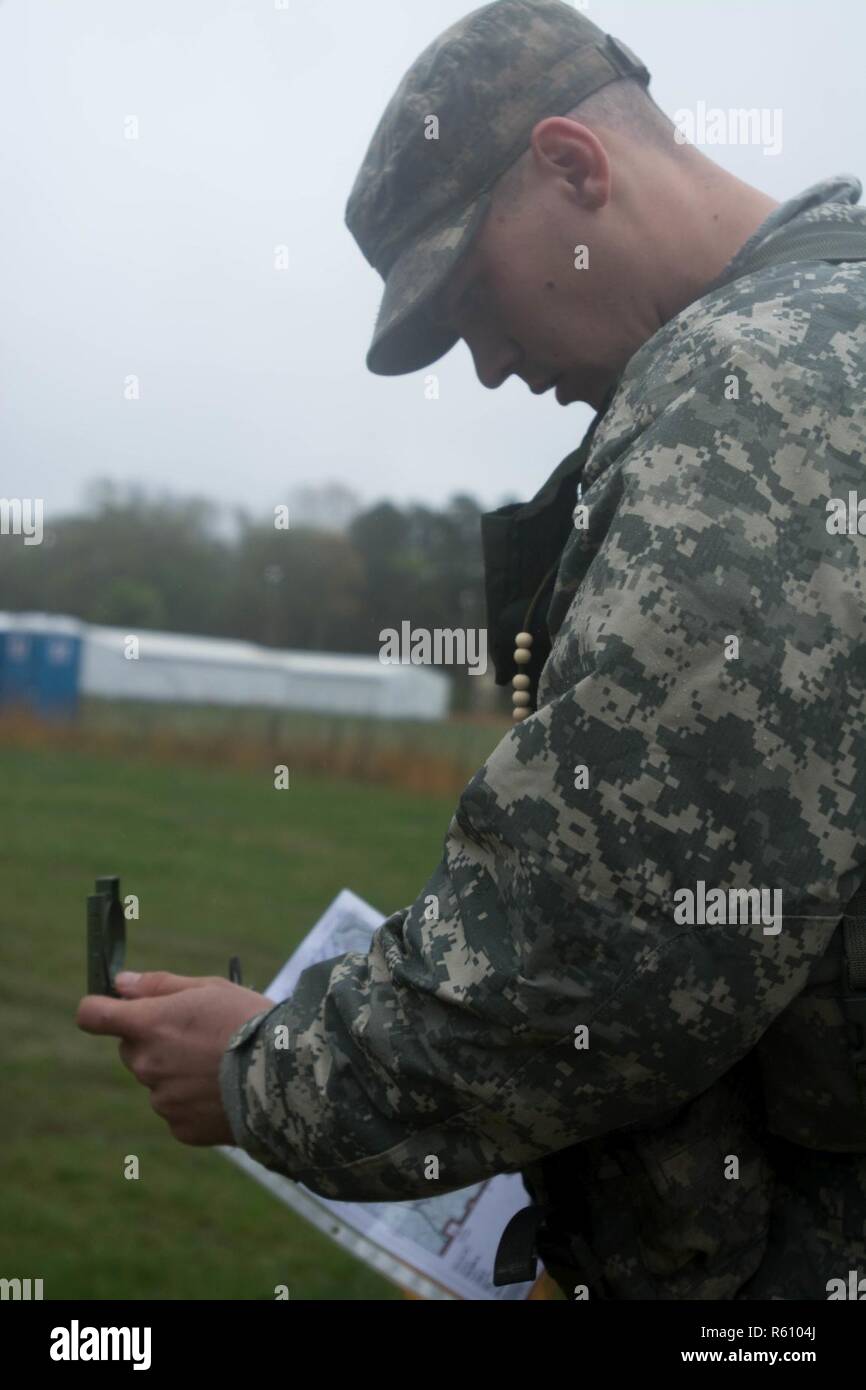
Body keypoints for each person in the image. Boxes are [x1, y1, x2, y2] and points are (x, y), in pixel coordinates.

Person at [77, 0, 866, 1299]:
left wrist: (259, 1072)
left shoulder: (755, 402)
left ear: (574, 165)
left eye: (472, 299)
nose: (491, 366)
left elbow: (603, 948)